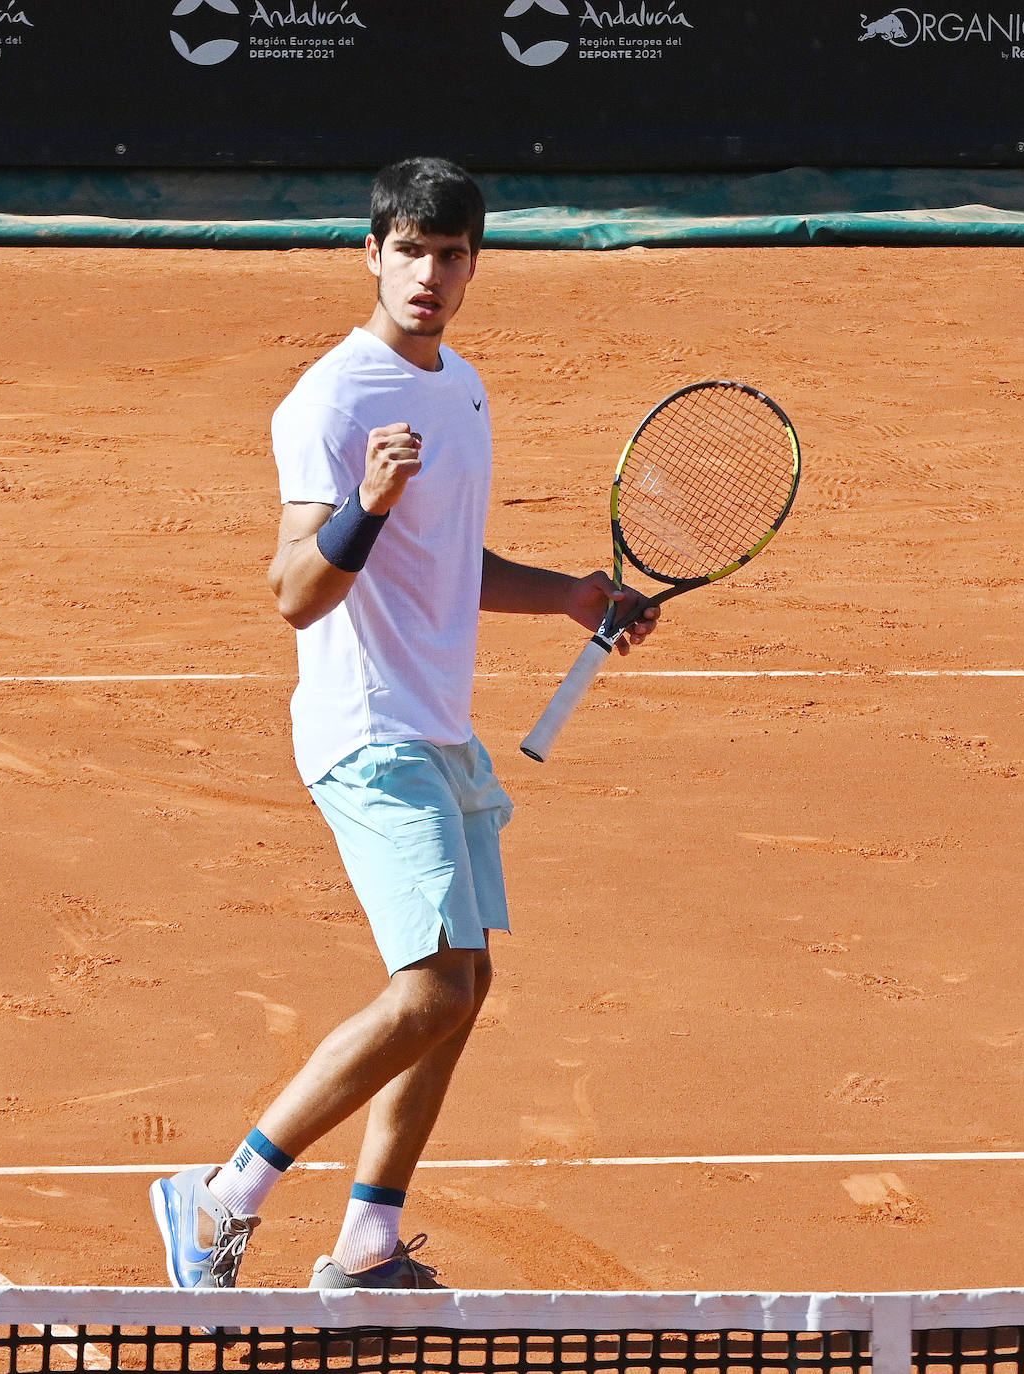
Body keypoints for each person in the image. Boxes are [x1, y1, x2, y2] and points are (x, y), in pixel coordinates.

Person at [150, 156, 658, 1294]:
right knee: (432, 986)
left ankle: (369, 1240)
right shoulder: (331, 400)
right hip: (367, 727)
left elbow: (451, 566)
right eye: (411, 251)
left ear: (476, 263)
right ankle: (221, 1194)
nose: (431, 274)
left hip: (438, 726)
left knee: (462, 989)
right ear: (371, 254)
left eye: (452, 254)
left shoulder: (461, 388)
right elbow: (293, 590)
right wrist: (366, 504)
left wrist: (571, 595)